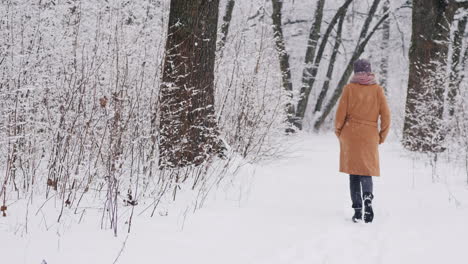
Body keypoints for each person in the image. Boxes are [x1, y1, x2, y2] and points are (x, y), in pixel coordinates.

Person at [334, 59, 391, 223]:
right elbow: (386, 116)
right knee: (366, 171)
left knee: (354, 174)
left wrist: (339, 133)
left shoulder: (349, 89)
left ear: (355, 72)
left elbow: (340, 115)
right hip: (370, 135)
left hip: (351, 134)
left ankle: (357, 210)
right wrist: (381, 135)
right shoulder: (377, 90)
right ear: (369, 72)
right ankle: (368, 197)